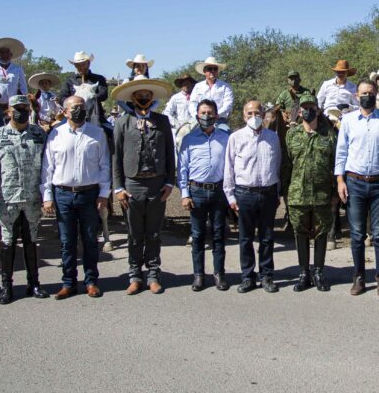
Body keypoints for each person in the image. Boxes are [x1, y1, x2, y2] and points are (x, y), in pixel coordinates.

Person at [0, 95, 51, 304]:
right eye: (17, 109)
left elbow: (48, 165)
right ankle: (6, 286)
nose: (21, 112)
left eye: (25, 108)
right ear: (8, 111)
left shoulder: (38, 133)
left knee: (31, 241)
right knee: (8, 242)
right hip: (7, 197)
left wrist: (47, 195)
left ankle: (34, 283)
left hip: (31, 198)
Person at [41, 95, 112, 299]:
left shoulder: (97, 133)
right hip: (63, 194)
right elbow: (48, 167)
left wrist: (104, 194)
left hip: (89, 194)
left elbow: (104, 165)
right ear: (64, 111)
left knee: (90, 240)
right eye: (74, 108)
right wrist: (47, 196)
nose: (78, 111)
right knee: (67, 242)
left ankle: (91, 281)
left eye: (82, 107)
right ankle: (68, 282)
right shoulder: (55, 134)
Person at [335, 81, 379, 296]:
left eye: (371, 93)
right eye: (364, 93)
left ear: (377, 95)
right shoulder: (348, 120)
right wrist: (340, 180)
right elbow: (341, 152)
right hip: (354, 181)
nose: (367, 96)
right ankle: (359, 276)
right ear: (356, 96)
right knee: (356, 234)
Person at [112, 77, 177, 295]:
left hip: (157, 184)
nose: (143, 97)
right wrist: (119, 187)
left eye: (147, 94)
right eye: (139, 94)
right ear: (132, 97)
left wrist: (169, 181)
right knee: (134, 233)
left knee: (154, 233)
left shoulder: (163, 121)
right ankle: (134, 275)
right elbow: (116, 157)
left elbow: (170, 154)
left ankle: (153, 274)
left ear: (152, 97)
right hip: (133, 183)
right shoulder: (122, 123)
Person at [224, 100, 283, 293]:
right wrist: (231, 196)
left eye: (257, 113)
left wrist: (277, 193)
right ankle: (248, 276)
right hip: (244, 193)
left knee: (267, 238)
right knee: (245, 238)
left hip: (267, 193)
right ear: (243, 116)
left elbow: (278, 165)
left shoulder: (272, 137)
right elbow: (229, 168)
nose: (254, 117)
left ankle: (266, 276)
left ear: (264, 114)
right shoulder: (235, 137)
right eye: (249, 113)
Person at [282, 93, 338, 293]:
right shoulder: (292, 135)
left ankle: (319, 272)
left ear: (318, 109)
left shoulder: (329, 134)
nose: (307, 111)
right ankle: (304, 273)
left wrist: (335, 193)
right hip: (297, 193)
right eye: (304, 107)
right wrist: (285, 193)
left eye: (311, 107)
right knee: (301, 233)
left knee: (322, 232)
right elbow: (286, 165)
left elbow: (335, 164)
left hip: (322, 194)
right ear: (299, 111)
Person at [178, 99, 231, 291]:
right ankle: (199, 275)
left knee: (218, 235)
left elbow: (230, 167)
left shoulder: (225, 138)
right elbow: (182, 169)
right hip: (197, 192)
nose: (206, 116)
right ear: (197, 115)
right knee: (198, 235)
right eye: (203, 113)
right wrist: (185, 194)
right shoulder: (189, 139)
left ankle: (219, 274)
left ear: (216, 116)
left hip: (218, 192)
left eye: (210, 113)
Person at [57, 51, 111, 128]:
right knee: (56, 130)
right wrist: (73, 102)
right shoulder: (69, 80)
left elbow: (104, 94)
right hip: (73, 115)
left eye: (83, 64)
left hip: (96, 114)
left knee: (112, 132)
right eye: (78, 65)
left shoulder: (99, 79)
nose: (81, 67)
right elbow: (61, 97)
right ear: (75, 66)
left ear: (88, 63)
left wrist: (91, 97)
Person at [189, 57, 235, 128]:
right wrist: (198, 115)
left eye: (215, 69)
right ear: (204, 71)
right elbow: (192, 103)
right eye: (210, 69)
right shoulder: (198, 86)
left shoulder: (226, 87)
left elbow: (228, 105)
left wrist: (215, 115)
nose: (213, 71)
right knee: (188, 134)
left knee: (226, 133)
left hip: (219, 119)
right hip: (200, 120)